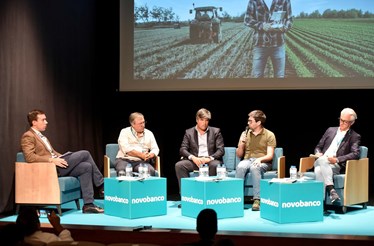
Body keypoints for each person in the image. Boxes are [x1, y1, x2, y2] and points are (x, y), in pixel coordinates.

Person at [21, 109, 104, 214]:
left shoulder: (42, 136)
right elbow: (29, 157)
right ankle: (101, 185)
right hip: (50, 169)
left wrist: (62, 156)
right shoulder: (28, 136)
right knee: (85, 153)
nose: (46, 122)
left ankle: (88, 205)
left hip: (57, 164)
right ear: (34, 122)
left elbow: (52, 152)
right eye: (43, 120)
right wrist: (52, 160)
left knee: (86, 167)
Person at [311, 108, 361, 204]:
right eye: (341, 120)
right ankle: (331, 190)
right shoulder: (330, 130)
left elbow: (355, 153)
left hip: (334, 165)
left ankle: (320, 204)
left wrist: (337, 159)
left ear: (351, 123)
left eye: (345, 122)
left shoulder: (354, 136)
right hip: (320, 160)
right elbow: (318, 146)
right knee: (322, 159)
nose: (341, 123)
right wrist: (317, 152)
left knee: (318, 170)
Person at [175, 108, 225, 197]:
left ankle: (210, 195)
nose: (204, 123)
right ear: (197, 120)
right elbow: (183, 149)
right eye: (202, 120)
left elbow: (221, 150)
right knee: (179, 165)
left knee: (215, 165)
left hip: (209, 161)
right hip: (195, 160)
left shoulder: (216, 131)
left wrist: (209, 158)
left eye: (207, 120)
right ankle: (186, 196)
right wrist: (193, 158)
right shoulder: (189, 132)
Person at [235, 110, 276, 211]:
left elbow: (270, 155)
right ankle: (237, 198)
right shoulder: (245, 133)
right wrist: (241, 144)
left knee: (255, 167)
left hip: (263, 161)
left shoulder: (269, 135)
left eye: (250, 121)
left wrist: (259, 159)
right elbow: (239, 155)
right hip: (248, 159)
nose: (248, 123)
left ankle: (257, 200)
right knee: (240, 166)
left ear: (258, 123)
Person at [244, 0, 293, 78]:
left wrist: (283, 27)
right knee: (257, 76)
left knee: (280, 76)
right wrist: (262, 25)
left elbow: (289, 20)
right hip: (260, 44)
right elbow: (247, 20)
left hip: (278, 44)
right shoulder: (253, 1)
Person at [115, 112, 159, 177]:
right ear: (132, 124)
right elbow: (127, 149)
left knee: (149, 170)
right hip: (124, 160)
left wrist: (150, 155)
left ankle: (145, 187)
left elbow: (155, 148)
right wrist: (141, 155)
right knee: (122, 170)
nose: (143, 125)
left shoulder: (149, 133)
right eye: (140, 123)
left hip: (141, 161)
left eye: (143, 122)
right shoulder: (124, 132)